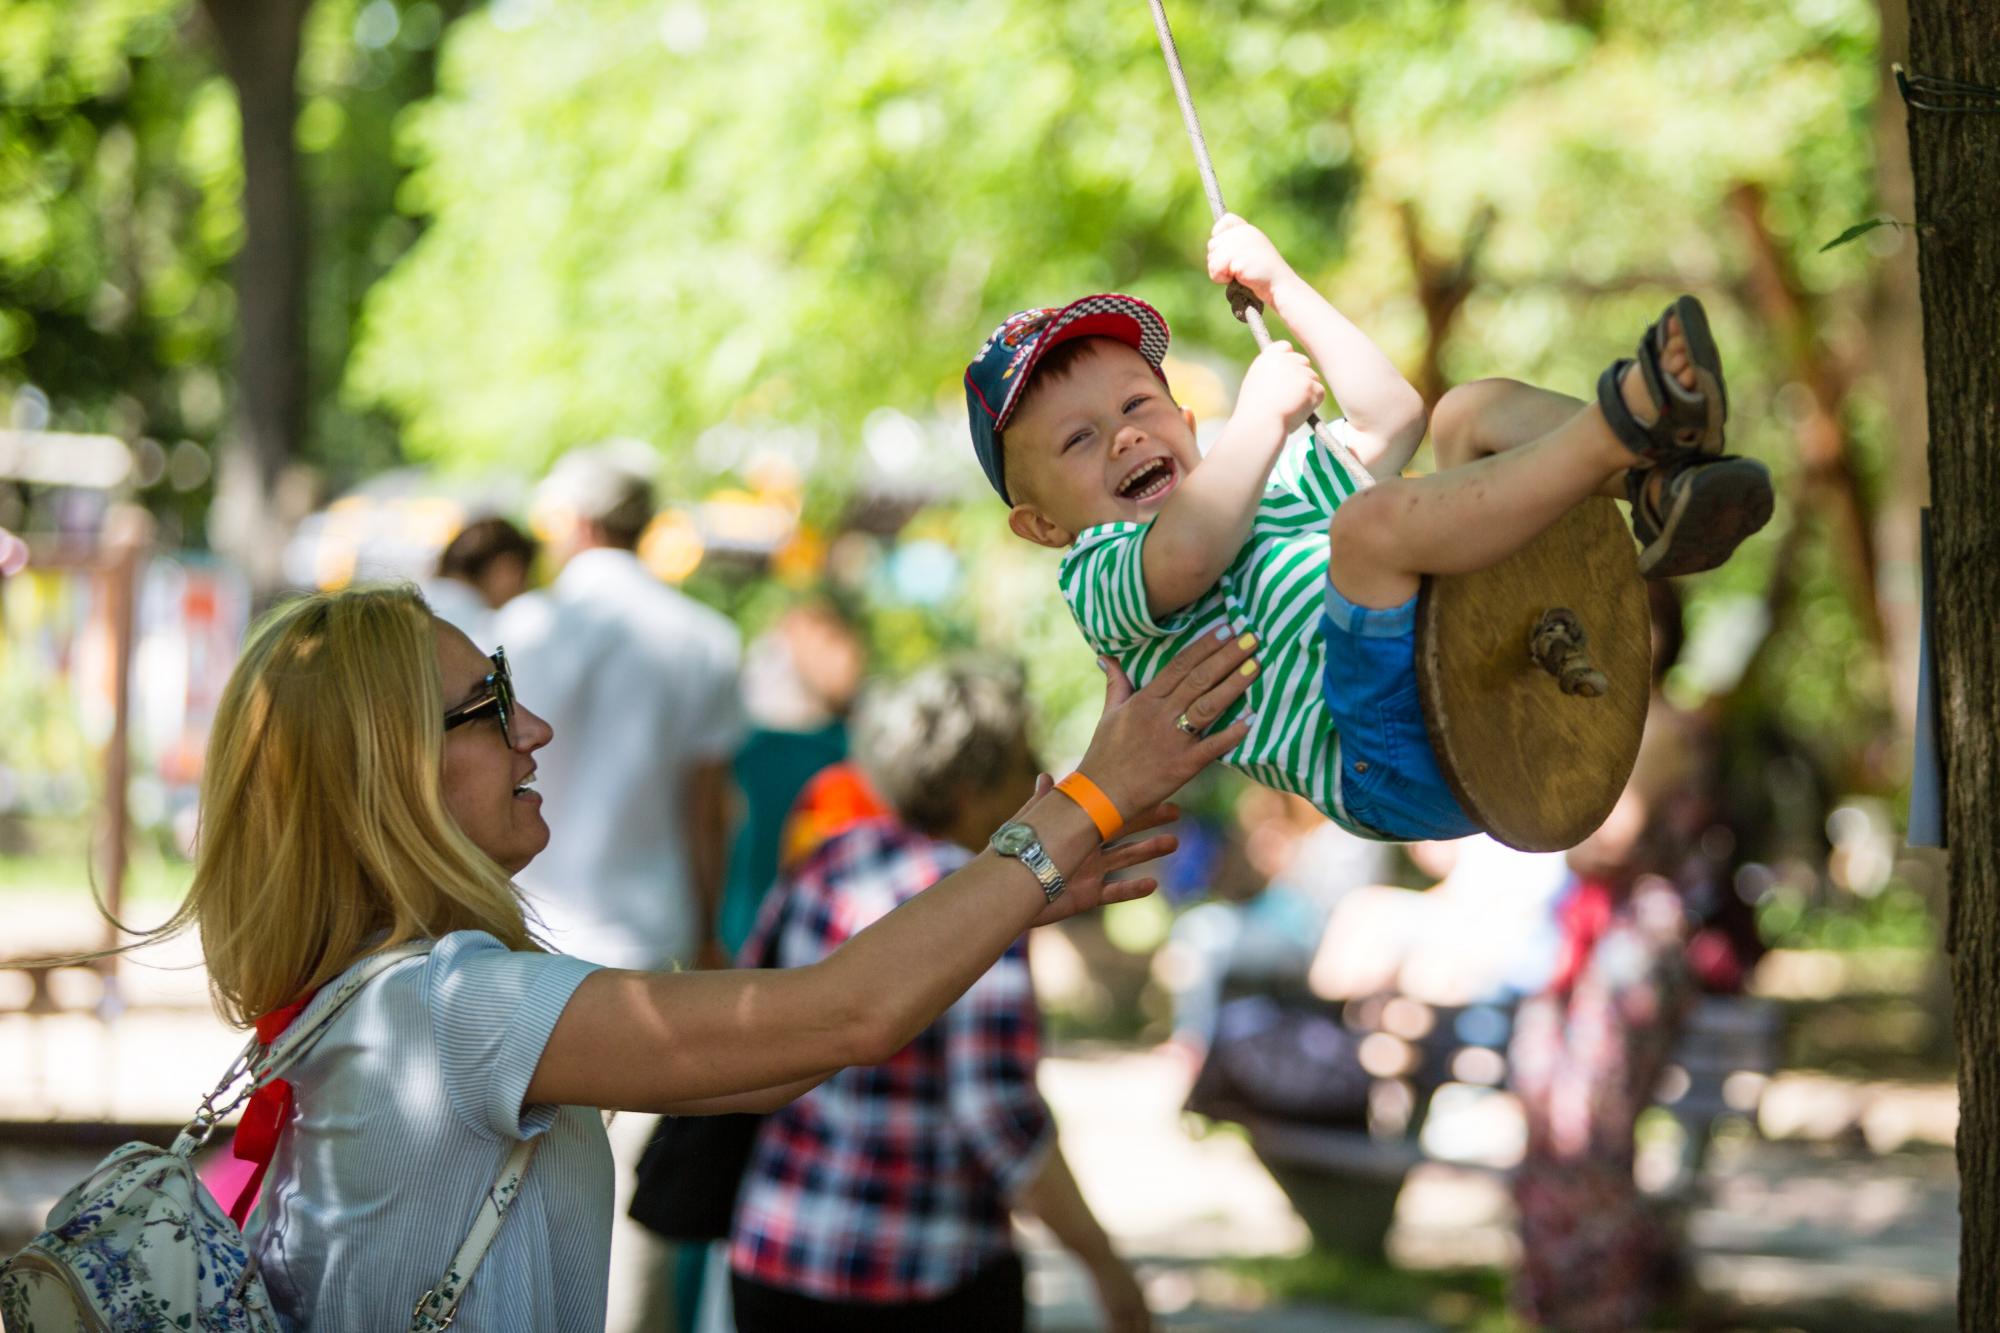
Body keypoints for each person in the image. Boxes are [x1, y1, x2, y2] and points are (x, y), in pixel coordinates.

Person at [146, 583, 1254, 1330]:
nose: (531, 727)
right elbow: (837, 1019)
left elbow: (778, 1055)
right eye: (487, 702)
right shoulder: (452, 1007)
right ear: (387, 770)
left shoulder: (387, 999)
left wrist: (1011, 899)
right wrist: (1086, 799)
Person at [963, 214, 1773, 843]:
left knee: (1471, 411)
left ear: (1182, 418)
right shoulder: (1101, 570)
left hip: (1455, 659)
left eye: (1137, 406)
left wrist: (1283, 287)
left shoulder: (1267, 480)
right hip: (1384, 755)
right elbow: (1186, 551)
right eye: (1077, 439)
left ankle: (1654, 482)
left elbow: (1394, 417)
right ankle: (1620, 424)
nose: (1124, 436)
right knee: (1368, 528)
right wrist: (1258, 418)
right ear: (1040, 525)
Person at [726, 661, 1153, 1333]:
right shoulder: (985, 900)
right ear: (970, 787)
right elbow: (996, 1109)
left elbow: (753, 1025)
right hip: (919, 1268)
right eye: (1021, 762)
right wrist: (1104, 1263)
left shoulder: (828, 859)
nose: (1040, 776)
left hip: (780, 1244)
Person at [496, 441, 742, 972]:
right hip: (652, 928)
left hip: (524, 922)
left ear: (580, 522)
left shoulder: (521, 627)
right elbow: (707, 807)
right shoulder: (706, 639)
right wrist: (707, 933)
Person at [421, 514, 538, 650]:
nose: (525, 588)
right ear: (507, 569)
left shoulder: (415, 602)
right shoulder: (482, 630)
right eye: (525, 577)